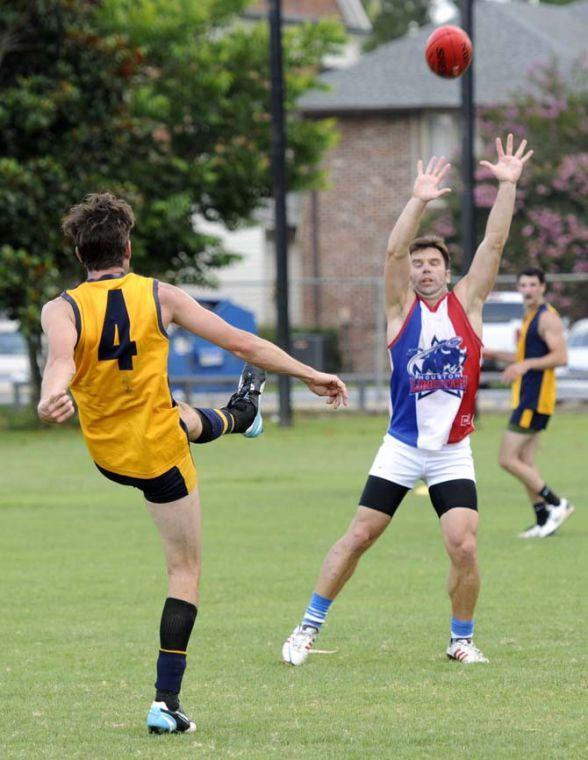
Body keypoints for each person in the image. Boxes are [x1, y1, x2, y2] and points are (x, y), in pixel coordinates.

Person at [37, 192, 348, 734]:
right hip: (159, 457)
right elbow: (244, 344)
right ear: (128, 250)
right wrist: (308, 374)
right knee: (184, 571)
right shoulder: (161, 296)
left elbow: (61, 362)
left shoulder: (60, 308)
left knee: (176, 413)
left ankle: (239, 414)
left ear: (80, 254)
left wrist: (50, 396)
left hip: (108, 453)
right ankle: (166, 702)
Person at [282, 134, 533, 667]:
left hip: (452, 449)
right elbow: (392, 250)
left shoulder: (468, 304)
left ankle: (460, 639)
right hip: (401, 445)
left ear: (446, 271)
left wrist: (507, 186)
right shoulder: (401, 312)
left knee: (464, 545)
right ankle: (306, 628)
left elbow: (494, 244)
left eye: (432, 263)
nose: (423, 268)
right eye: (418, 263)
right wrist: (418, 200)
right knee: (358, 537)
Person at [489, 267, 573, 538]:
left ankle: (557, 503)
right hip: (526, 397)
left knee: (507, 459)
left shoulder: (548, 318)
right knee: (526, 462)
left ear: (543, 287)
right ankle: (542, 519)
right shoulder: (530, 318)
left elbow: (561, 357)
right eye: (522, 285)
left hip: (535, 400)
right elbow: (522, 356)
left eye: (532, 285)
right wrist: (487, 352)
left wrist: (525, 365)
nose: (527, 290)